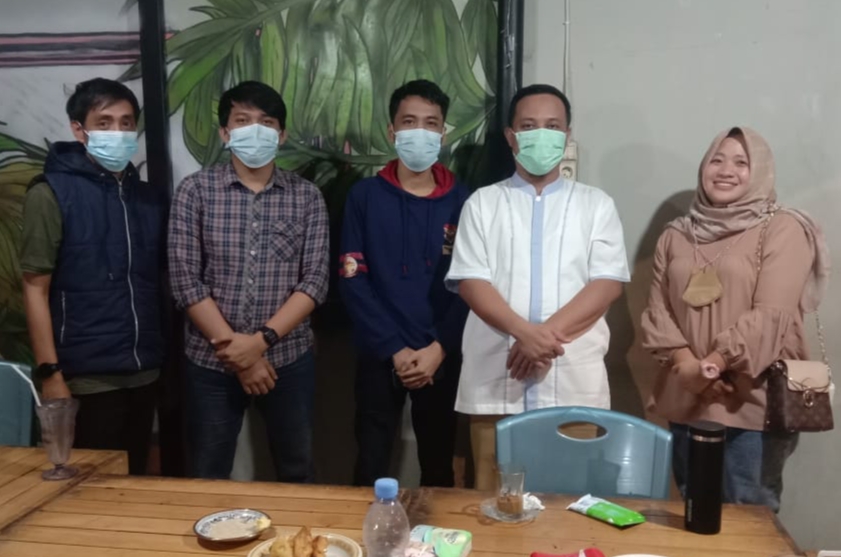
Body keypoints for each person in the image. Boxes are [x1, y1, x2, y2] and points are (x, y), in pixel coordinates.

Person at [445, 84, 630, 489]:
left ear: (567, 136)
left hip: (573, 382)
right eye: (529, 126)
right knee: (495, 500)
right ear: (511, 137)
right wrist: (523, 333)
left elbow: (607, 283)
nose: (541, 134)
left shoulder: (596, 205)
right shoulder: (482, 203)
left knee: (573, 498)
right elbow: (472, 282)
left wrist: (540, 339)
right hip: (497, 380)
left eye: (552, 126)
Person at [641, 126, 830, 512]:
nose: (726, 170)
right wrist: (688, 369)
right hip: (687, 396)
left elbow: (773, 316)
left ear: (759, 171)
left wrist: (713, 365)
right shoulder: (676, 235)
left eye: (742, 163)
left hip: (754, 401)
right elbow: (658, 311)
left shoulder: (783, 228)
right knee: (694, 512)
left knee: (751, 516)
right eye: (717, 160)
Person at [168, 81, 329, 481]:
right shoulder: (195, 191)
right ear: (225, 133)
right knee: (208, 471)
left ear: (281, 135)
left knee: (297, 469)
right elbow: (186, 280)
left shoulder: (307, 197)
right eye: (243, 121)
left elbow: (314, 281)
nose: (255, 130)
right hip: (211, 362)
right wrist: (236, 352)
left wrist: (258, 344)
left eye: (266, 122)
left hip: (288, 359)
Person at [20, 78, 166, 475]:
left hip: (145, 372)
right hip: (85, 379)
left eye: (126, 122)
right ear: (78, 129)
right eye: (104, 122)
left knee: (135, 478)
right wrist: (50, 374)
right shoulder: (50, 193)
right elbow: (34, 289)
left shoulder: (148, 198)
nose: (117, 131)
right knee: (90, 485)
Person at [339, 80, 470, 487]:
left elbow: (472, 284)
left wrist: (438, 348)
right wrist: (395, 349)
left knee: (439, 467)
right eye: (409, 122)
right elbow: (352, 279)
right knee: (371, 462)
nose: (420, 132)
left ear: (443, 133)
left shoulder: (465, 201)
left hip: (440, 353)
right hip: (380, 352)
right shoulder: (364, 196)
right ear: (392, 131)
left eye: (431, 123)